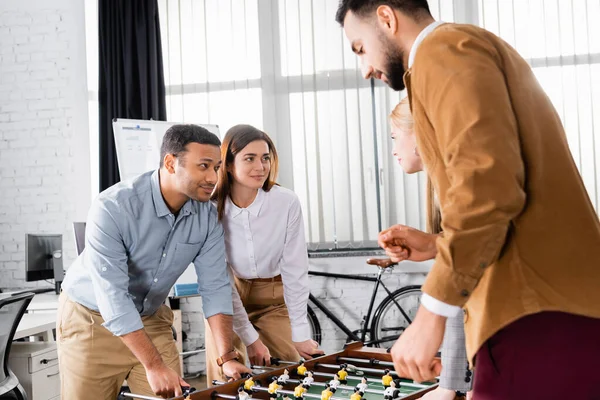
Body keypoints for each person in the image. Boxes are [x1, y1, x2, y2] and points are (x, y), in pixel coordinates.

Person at [336, 1, 600, 398]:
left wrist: (430, 314)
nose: (365, 68)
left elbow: (487, 189)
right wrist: (437, 245)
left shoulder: (442, 51)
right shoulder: (468, 50)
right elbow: (508, 196)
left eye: (360, 48)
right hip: (542, 307)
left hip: (532, 311)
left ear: (387, 19)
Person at [57, 124, 250, 400]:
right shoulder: (113, 208)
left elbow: (216, 287)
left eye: (217, 167)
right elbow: (113, 298)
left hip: (150, 315)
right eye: (204, 166)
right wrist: (154, 365)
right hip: (91, 318)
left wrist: (226, 356)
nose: (213, 178)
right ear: (171, 163)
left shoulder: (207, 218)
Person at [205, 124, 323, 385]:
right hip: (228, 298)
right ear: (227, 164)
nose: (261, 166)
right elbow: (220, 281)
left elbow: (294, 269)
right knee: (226, 374)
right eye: (250, 158)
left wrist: (300, 332)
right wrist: (251, 339)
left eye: (265, 158)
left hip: (274, 298)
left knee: (292, 372)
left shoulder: (286, 202)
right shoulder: (210, 209)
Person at [387, 98, 472, 400]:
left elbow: (464, 287)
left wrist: (448, 387)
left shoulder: (457, 179)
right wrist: (434, 243)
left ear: (421, 133)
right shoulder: (443, 180)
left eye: (396, 137)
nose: (393, 149)